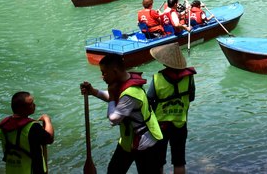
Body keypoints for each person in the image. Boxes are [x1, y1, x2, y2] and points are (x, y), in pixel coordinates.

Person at [80, 54, 164, 174]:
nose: (102, 76)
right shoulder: (123, 81)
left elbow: (114, 119)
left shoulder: (131, 93)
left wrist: (112, 96)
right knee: (114, 170)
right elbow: (117, 100)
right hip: (128, 141)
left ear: (114, 71)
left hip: (145, 143)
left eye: (104, 73)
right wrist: (93, 92)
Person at [148, 44, 196, 174]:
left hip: (160, 125)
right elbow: (191, 97)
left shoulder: (157, 79)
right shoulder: (189, 77)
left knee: (158, 161)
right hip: (180, 123)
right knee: (179, 161)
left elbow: (149, 101)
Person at [0, 91, 54, 174]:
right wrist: (47, 121)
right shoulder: (32, 127)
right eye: (31, 104)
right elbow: (49, 139)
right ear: (22, 109)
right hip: (32, 170)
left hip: (12, 170)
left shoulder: (3, 125)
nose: (34, 105)